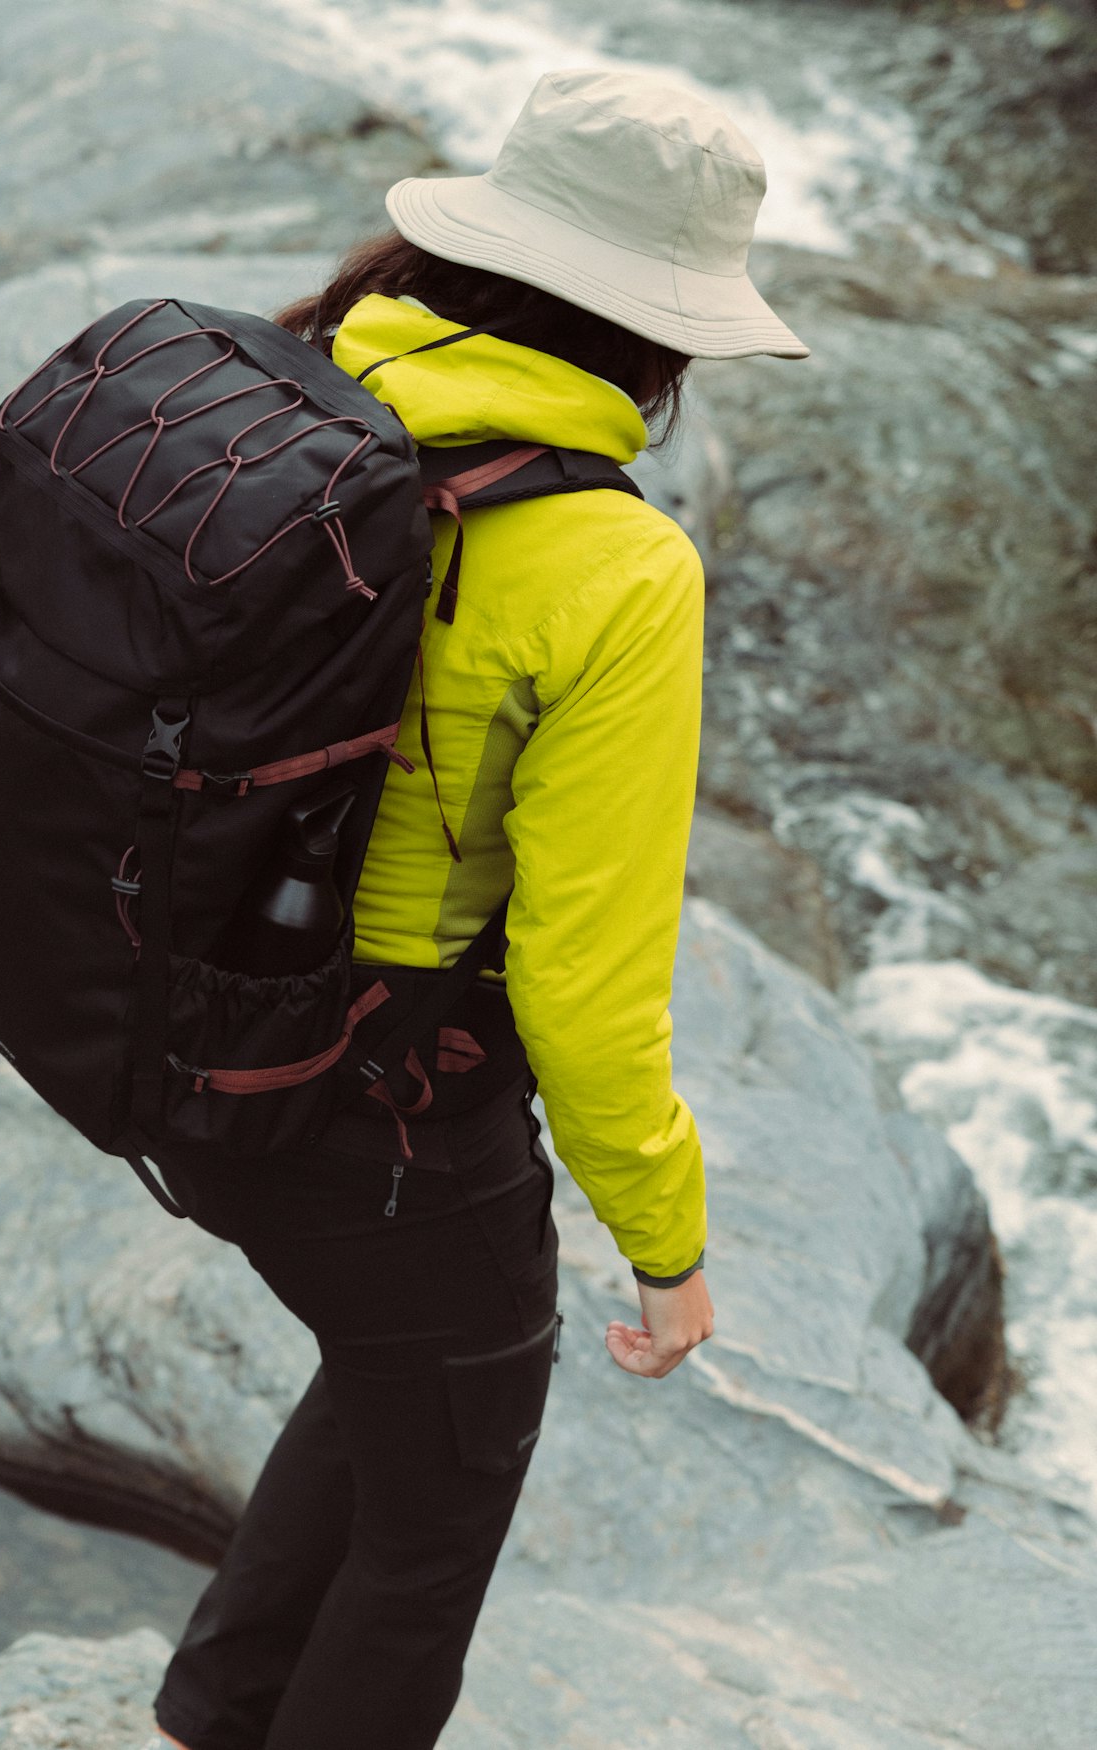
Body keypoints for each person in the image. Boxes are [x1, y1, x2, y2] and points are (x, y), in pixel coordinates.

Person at [150, 66, 809, 1750]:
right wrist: (669, 1247)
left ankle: (211, 1718)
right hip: (382, 1106)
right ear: (658, 327)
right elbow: (590, 989)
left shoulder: (294, 392)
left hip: (174, 1021)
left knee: (391, 1379)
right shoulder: (613, 568)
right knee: (433, 1526)